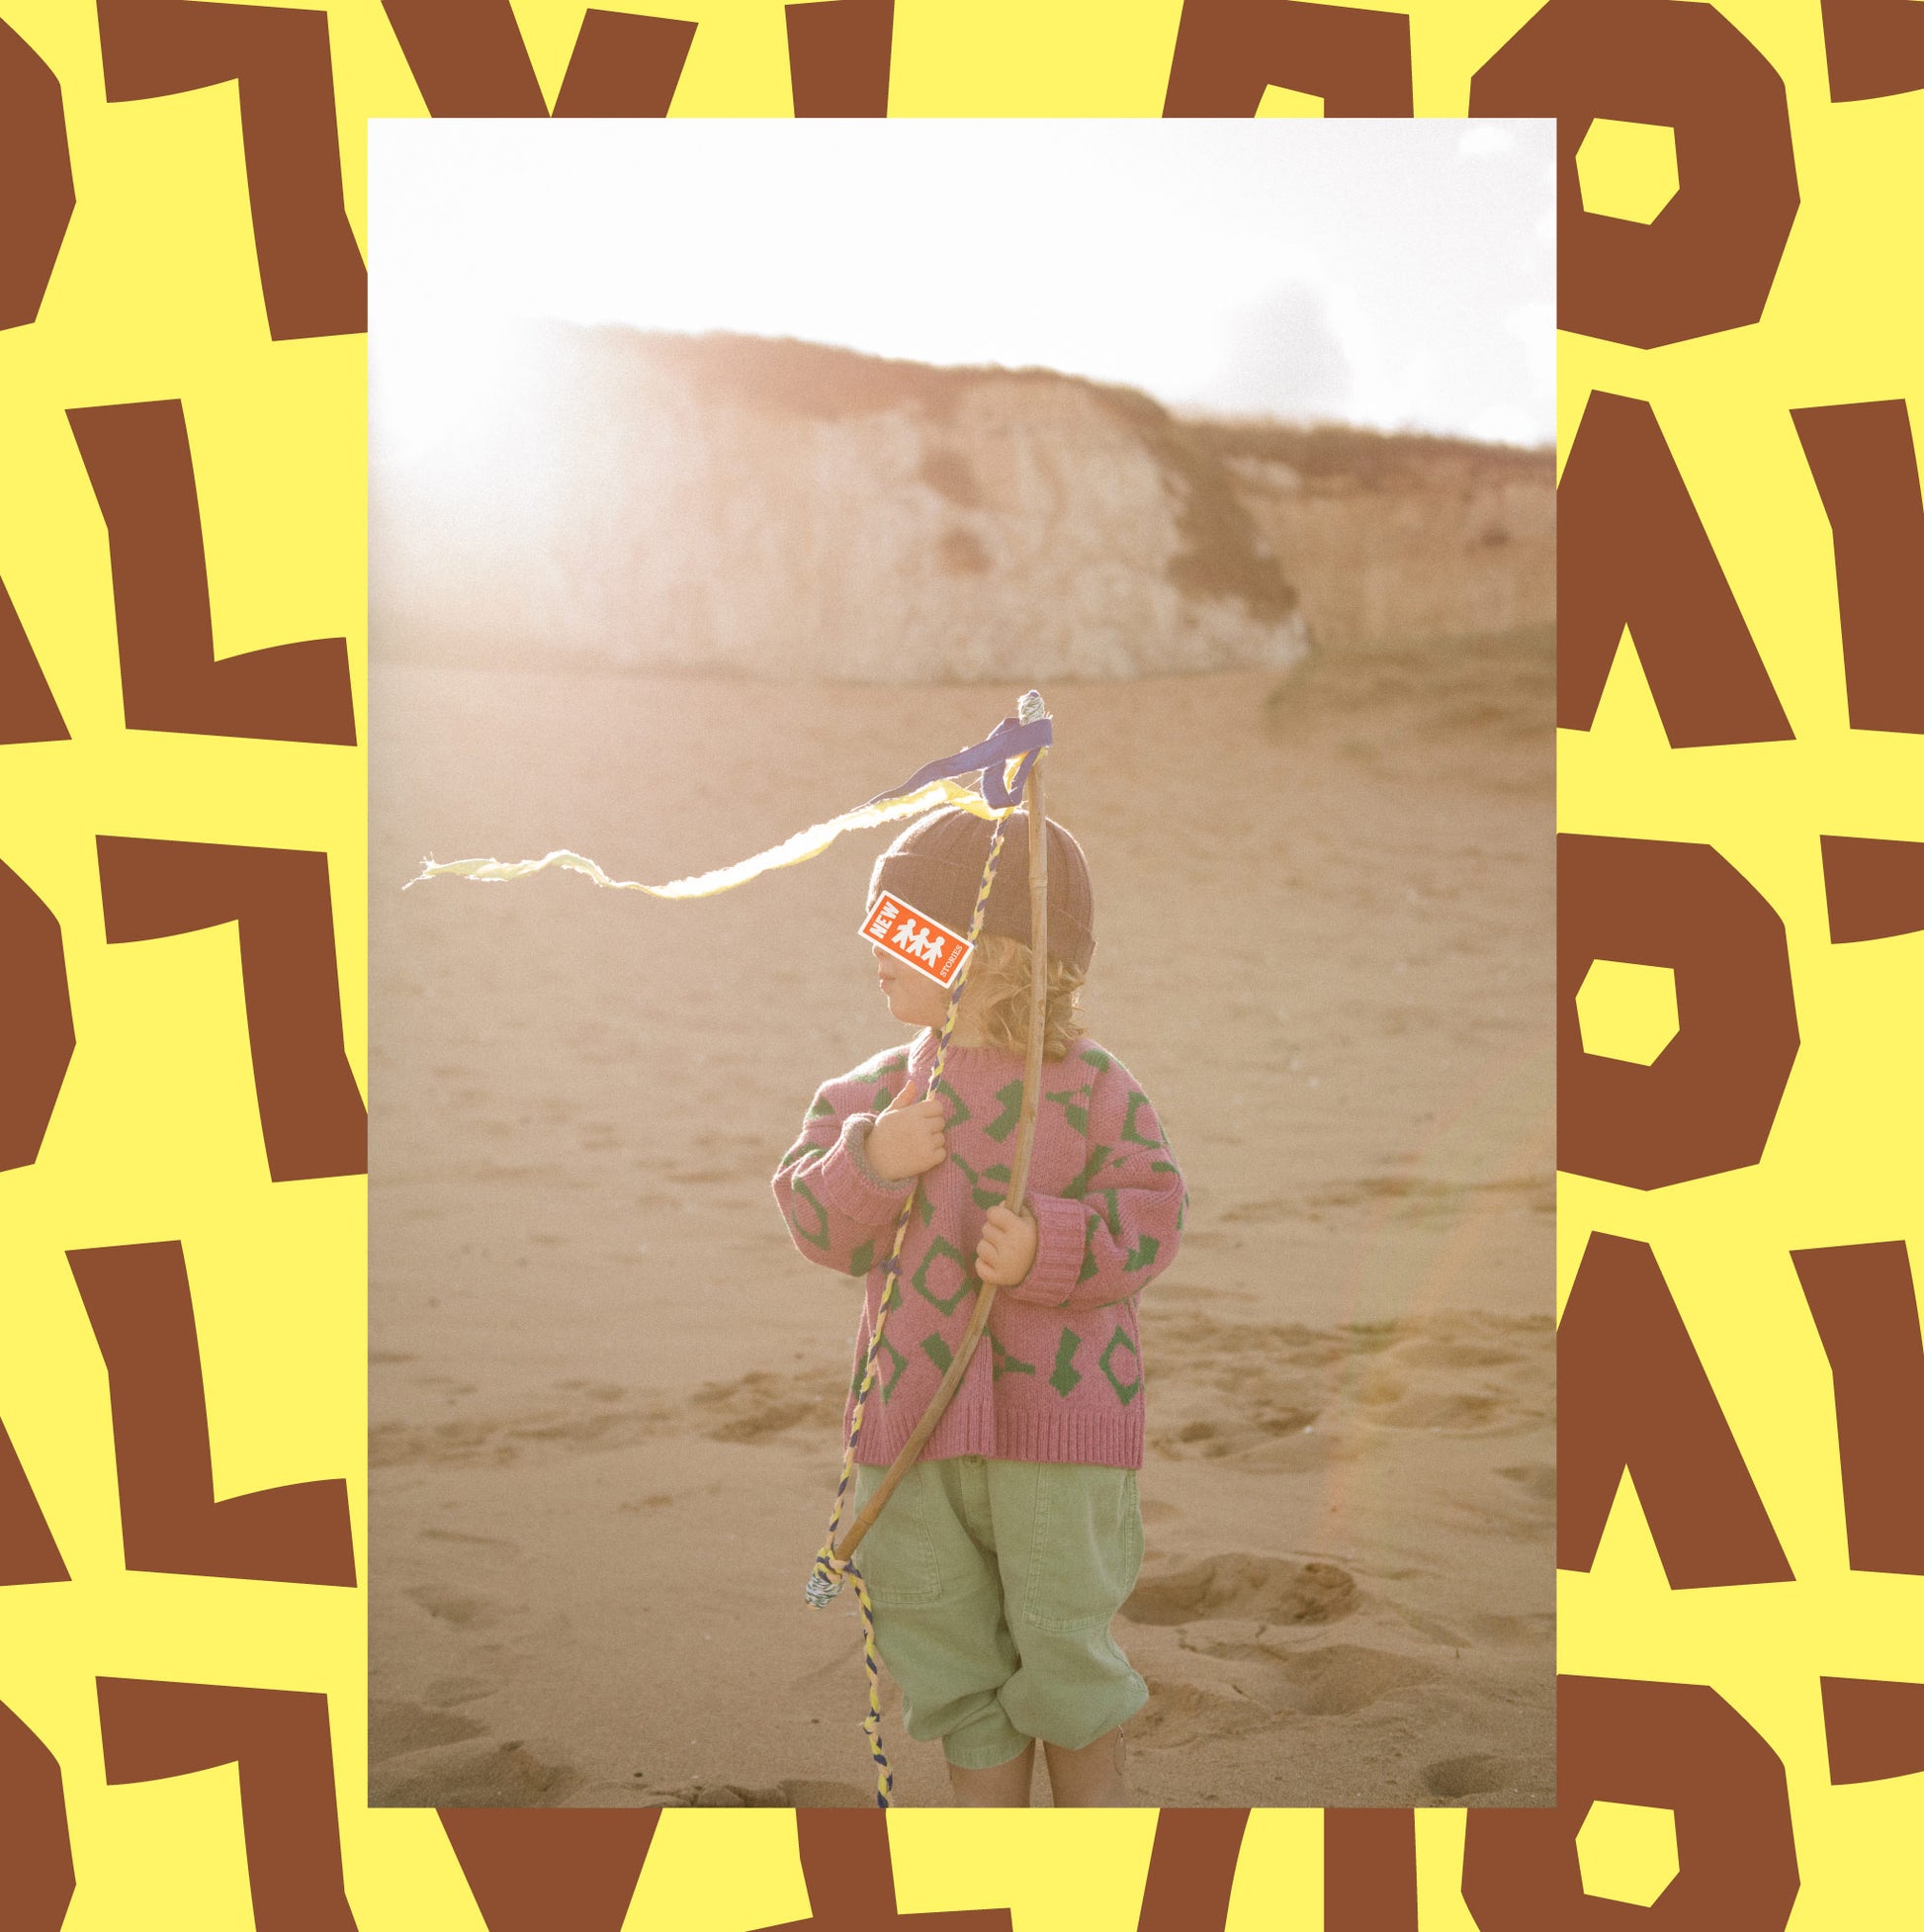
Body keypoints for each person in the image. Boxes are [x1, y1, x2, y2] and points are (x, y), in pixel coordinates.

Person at [771, 805, 1185, 1806]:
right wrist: (872, 1161)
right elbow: (817, 1224)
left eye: (901, 927)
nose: (874, 949)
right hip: (911, 1435)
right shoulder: (869, 1095)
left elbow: (1154, 1210)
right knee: (949, 1664)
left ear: (990, 953)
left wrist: (1053, 1246)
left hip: (1060, 1437)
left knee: (1064, 1655)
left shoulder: (1092, 1088)